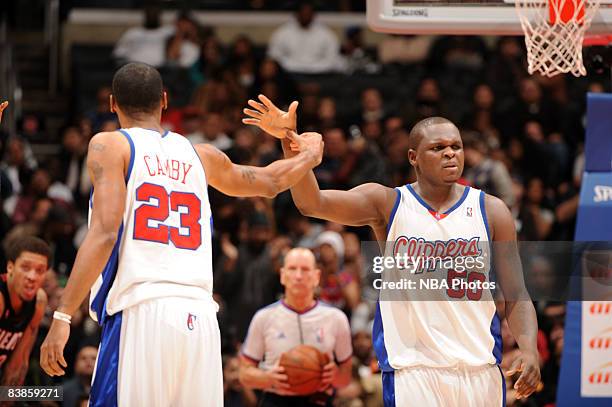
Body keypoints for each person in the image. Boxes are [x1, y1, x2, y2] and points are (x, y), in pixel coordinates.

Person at [39, 62, 324, 407]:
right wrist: (301, 149)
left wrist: (62, 315)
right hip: (200, 319)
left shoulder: (111, 145)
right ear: (164, 101)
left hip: (142, 312)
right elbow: (271, 182)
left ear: (113, 104)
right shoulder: (201, 155)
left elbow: (104, 233)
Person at [243, 96, 541, 406]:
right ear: (413, 157)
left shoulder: (491, 211)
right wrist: (291, 146)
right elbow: (311, 203)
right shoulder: (386, 203)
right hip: (413, 373)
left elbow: (517, 294)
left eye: (456, 146)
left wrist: (529, 349)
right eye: (438, 148)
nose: (450, 153)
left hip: (480, 371)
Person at [239, 248, 353, 407]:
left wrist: (334, 376)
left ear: (317, 277)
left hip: (320, 399)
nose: (298, 276)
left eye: (305, 269)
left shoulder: (336, 318)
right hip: (275, 400)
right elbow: (244, 374)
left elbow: (345, 378)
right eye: (292, 269)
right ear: (282, 275)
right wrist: (268, 378)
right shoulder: (263, 317)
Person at [0, 236, 50, 385]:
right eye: (25, 268)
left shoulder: (39, 302)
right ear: (10, 267)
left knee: (50, 395)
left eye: (40, 270)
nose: (32, 277)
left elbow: (19, 362)